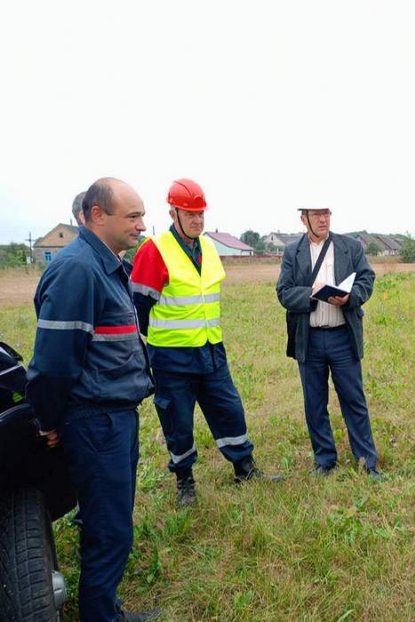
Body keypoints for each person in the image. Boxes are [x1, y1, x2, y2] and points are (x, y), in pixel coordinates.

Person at [26, 178, 158, 621]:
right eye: (133, 216)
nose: (142, 225)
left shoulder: (108, 265)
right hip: (95, 420)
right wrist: (47, 421)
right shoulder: (78, 270)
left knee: (109, 521)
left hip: (114, 418)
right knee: (109, 528)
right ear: (97, 214)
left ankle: (105, 608)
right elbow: (53, 364)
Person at [130, 179, 278, 507]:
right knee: (177, 420)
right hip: (172, 356)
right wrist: (158, 342)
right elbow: (138, 306)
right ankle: (184, 480)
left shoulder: (209, 247)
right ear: (173, 213)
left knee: (229, 410)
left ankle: (244, 467)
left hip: (212, 349)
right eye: (190, 214)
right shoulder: (154, 250)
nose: (197, 220)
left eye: (201, 214)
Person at [276, 207, 380, 479]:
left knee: (354, 400)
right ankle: (325, 461)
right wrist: (309, 294)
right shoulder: (292, 252)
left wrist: (351, 296)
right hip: (309, 339)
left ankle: (367, 462)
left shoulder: (350, 247)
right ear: (303, 218)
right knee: (314, 402)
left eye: (326, 214)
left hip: (342, 337)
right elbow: (283, 292)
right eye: (316, 215)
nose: (323, 219)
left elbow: (367, 278)